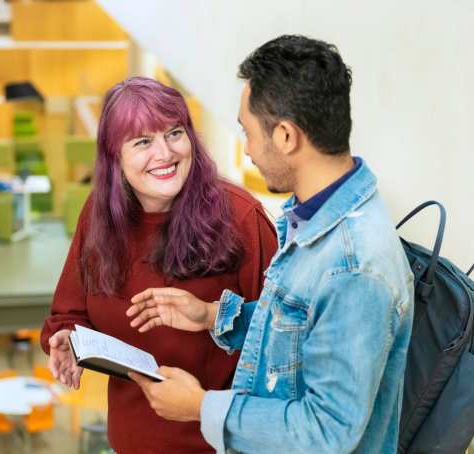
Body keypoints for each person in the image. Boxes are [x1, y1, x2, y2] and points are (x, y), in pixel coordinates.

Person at [127, 35, 414, 453]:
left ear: (285, 136)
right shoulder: (315, 218)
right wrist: (212, 316)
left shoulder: (354, 267)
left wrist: (201, 407)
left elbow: (326, 433)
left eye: (248, 133)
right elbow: (301, 331)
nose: (247, 152)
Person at [40, 76, 278, 453]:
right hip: (129, 441)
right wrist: (68, 340)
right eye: (143, 142)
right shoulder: (99, 215)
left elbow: (284, 339)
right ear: (114, 156)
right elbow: (70, 312)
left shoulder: (241, 217)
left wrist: (211, 316)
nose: (165, 153)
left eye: (174, 133)